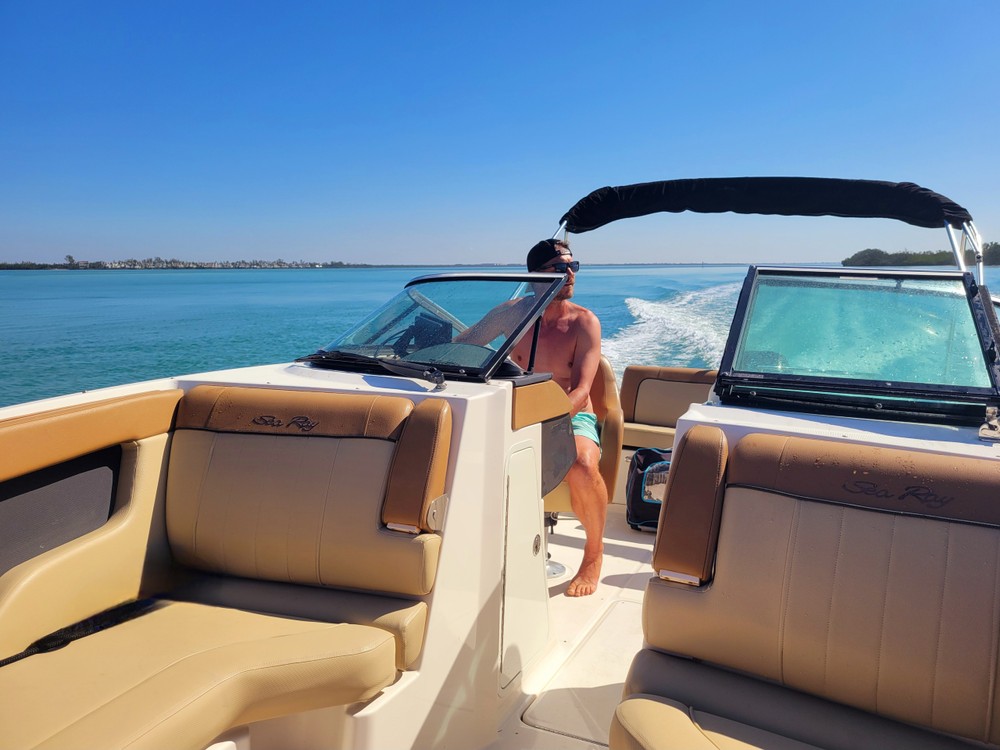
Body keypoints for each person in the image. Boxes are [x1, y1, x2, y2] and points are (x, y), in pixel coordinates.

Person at [513, 238, 606, 597]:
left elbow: (582, 390)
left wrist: (545, 419)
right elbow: (468, 343)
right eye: (559, 268)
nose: (570, 274)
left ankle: (594, 553)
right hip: (518, 414)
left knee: (582, 463)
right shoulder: (512, 314)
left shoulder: (585, 322)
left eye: (573, 266)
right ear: (536, 275)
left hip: (570, 415)